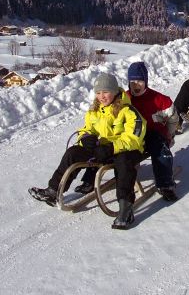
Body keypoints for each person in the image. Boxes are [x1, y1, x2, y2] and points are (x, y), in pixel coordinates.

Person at [29, 73, 146, 230]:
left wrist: (112, 147)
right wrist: (84, 137)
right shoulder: (94, 111)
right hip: (101, 151)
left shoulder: (128, 111)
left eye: (105, 92)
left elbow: (134, 137)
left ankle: (126, 208)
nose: (101, 96)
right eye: (98, 93)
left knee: (124, 162)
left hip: (124, 150)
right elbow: (86, 129)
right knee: (73, 152)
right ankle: (54, 190)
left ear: (114, 91)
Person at [76, 62, 180, 202]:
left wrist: (169, 134)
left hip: (151, 134)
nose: (136, 85)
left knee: (160, 148)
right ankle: (90, 179)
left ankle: (166, 185)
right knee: (104, 145)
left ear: (146, 81)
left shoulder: (160, 100)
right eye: (133, 81)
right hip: (128, 136)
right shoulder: (122, 99)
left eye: (140, 81)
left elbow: (173, 119)